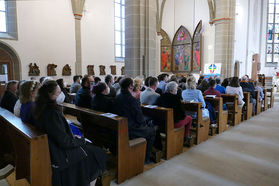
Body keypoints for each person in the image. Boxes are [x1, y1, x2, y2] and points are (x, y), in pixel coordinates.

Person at [33, 80, 108, 186]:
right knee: (98, 154)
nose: (61, 95)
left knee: (93, 150)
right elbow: (64, 142)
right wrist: (80, 140)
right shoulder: (52, 113)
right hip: (61, 153)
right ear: (50, 95)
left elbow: (59, 135)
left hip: (54, 146)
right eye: (58, 93)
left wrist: (74, 137)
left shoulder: (40, 107)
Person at [112, 77, 156, 163]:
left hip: (120, 127)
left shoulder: (117, 97)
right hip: (131, 130)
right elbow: (139, 119)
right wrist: (145, 124)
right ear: (130, 86)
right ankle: (146, 158)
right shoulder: (133, 100)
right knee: (152, 131)